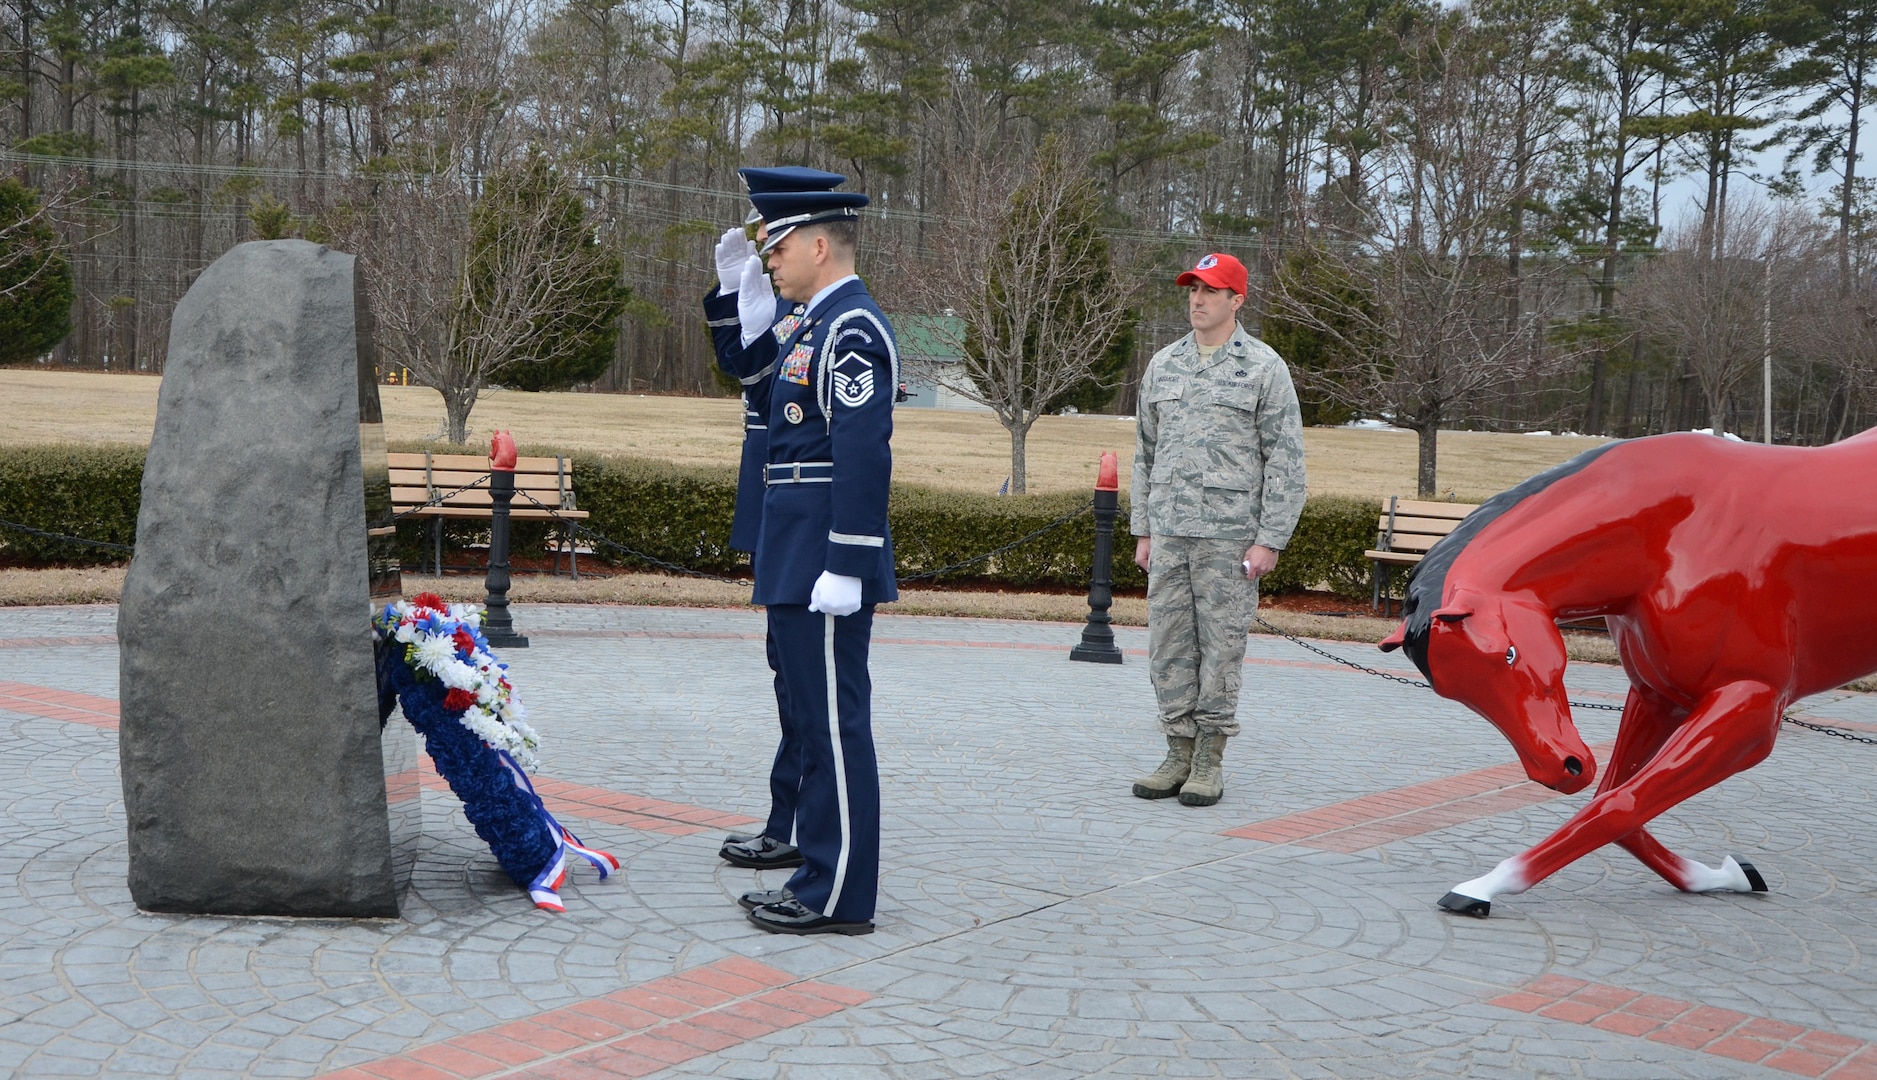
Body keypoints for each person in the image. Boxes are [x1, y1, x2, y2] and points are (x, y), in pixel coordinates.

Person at [732, 176, 897, 936]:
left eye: (780, 243)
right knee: (815, 718)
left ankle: (837, 896)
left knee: (835, 726)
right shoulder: (812, 324)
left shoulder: (851, 328)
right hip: (795, 547)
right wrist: (741, 317)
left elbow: (861, 453)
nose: (771, 257)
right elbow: (767, 409)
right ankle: (815, 872)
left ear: (820, 245)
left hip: (823, 553)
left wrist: (850, 561)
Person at [702, 166, 847, 874]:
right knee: (784, 673)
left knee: (805, 681)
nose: (763, 243)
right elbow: (745, 365)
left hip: (804, 518)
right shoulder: (793, 305)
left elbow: (756, 374)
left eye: (771, 232)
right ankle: (787, 816)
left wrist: (745, 297)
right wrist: (735, 292)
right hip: (775, 508)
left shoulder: (823, 316)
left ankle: (803, 825)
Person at [1129, 252, 1306, 807]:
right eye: (1191, 290)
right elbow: (1145, 454)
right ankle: (1176, 750)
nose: (1197, 300)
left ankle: (1209, 757)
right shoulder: (1164, 365)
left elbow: (1286, 461)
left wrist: (1269, 539)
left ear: (1237, 299)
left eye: (1209, 291)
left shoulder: (1263, 367)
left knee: (1221, 647)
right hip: (1171, 533)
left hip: (1230, 540)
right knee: (1168, 647)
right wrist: (1144, 530)